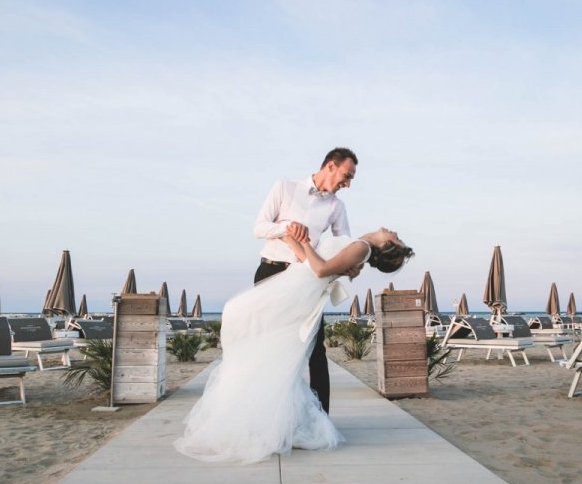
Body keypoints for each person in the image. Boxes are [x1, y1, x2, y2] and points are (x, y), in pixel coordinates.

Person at [174, 227, 413, 464]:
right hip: (293, 284)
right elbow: (306, 262)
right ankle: (263, 417)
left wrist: (306, 242)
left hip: (296, 292)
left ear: (388, 246)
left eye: (397, 238)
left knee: (239, 314)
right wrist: (290, 239)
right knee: (259, 342)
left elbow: (319, 270)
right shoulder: (359, 246)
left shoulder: (362, 248)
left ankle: (257, 416)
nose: (394, 231)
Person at [252, 147, 359, 414]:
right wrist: (286, 228)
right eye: (346, 176)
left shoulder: (337, 207)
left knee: (315, 348)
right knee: (269, 346)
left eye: (351, 179)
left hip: (306, 279)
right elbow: (259, 227)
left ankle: (321, 417)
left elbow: (343, 245)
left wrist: (351, 265)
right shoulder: (284, 187)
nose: (347, 184)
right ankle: (269, 413)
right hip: (271, 272)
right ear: (330, 166)